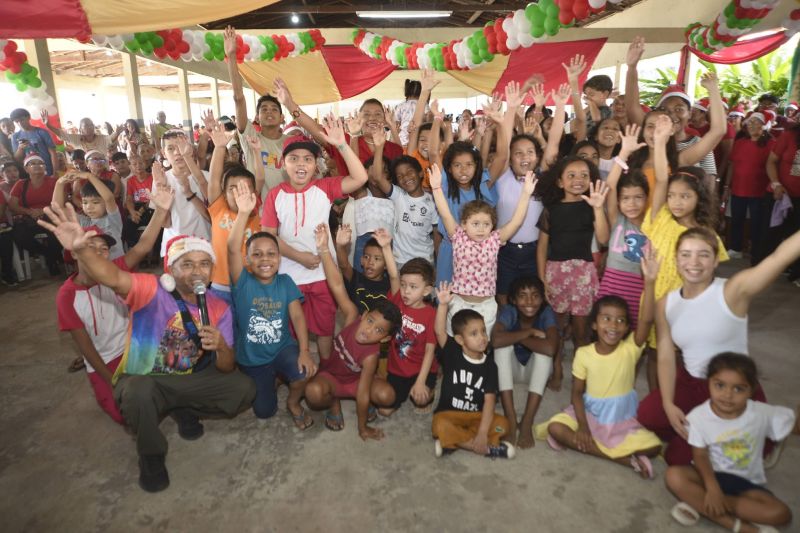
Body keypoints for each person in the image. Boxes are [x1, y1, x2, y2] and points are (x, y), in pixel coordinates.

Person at [39, 202, 256, 493]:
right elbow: (112, 276)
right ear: (170, 268)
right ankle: (151, 456)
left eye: (205, 264)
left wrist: (221, 347)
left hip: (186, 375)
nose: (198, 272)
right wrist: (82, 250)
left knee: (243, 389)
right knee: (138, 395)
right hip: (146, 377)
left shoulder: (217, 307)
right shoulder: (151, 290)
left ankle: (182, 406)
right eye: (187, 264)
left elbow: (226, 367)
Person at [638, 226, 800, 466]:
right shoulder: (666, 303)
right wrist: (668, 403)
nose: (694, 261)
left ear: (715, 261)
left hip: (731, 388)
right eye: (685, 254)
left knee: (678, 459)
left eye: (703, 254)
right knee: (648, 415)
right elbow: (664, 354)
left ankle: (766, 432)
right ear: (676, 259)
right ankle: (701, 432)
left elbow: (779, 257)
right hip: (691, 383)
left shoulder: (733, 291)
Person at [536, 248, 662, 478]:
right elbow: (576, 393)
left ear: (627, 328)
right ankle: (622, 459)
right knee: (556, 428)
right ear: (594, 324)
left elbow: (646, 318)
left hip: (619, 417)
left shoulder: (630, 349)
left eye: (620, 321)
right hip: (589, 412)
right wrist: (583, 426)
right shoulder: (584, 353)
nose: (613, 326)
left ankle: (597, 446)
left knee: (654, 446)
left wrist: (651, 282)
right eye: (606, 319)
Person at [56, 184, 172, 423]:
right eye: (92, 248)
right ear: (76, 253)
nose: (100, 253)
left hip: (135, 347)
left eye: (104, 249)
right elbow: (85, 347)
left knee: (169, 389)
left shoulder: (115, 271)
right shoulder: (67, 296)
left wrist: (160, 210)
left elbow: (143, 246)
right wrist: (112, 379)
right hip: (104, 360)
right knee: (126, 413)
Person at [260, 117, 368, 365]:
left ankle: (327, 369)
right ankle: (293, 367)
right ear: (283, 164)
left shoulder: (325, 187)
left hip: (323, 273)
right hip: (287, 276)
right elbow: (269, 237)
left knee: (324, 328)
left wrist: (342, 145)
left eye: (308, 159)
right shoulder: (275, 195)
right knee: (290, 329)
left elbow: (360, 178)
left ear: (315, 165)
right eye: (294, 158)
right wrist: (299, 257)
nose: (301, 164)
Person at [665, 354, 798, 531]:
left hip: (747, 484)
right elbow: (700, 455)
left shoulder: (762, 413)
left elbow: (795, 428)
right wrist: (712, 488)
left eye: (738, 389)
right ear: (709, 383)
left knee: (781, 514)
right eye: (719, 385)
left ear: (752, 390)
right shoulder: (699, 417)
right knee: (673, 476)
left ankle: (698, 502)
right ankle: (738, 526)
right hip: (708, 476)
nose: (727, 395)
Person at [227, 181, 317, 428]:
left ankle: (293, 402)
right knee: (264, 412)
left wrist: (305, 351)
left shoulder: (286, 281)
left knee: (303, 373)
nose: (264, 259)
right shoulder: (242, 282)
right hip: (252, 359)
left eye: (271, 254)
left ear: (279, 258)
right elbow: (232, 249)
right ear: (247, 259)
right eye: (256, 254)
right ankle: (273, 379)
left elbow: (298, 318)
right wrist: (244, 213)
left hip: (282, 348)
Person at [304, 224, 401, 439]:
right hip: (332, 377)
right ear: (364, 315)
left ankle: (356, 403)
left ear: (384, 338)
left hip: (355, 381)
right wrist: (324, 249)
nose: (368, 331)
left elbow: (364, 391)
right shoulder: (352, 316)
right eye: (370, 321)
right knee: (313, 393)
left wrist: (362, 426)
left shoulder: (371, 355)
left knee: (387, 395)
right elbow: (337, 284)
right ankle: (333, 403)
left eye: (377, 330)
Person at [430, 161, 538, 338]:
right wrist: (436, 188)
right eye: (475, 224)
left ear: (492, 226)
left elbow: (516, 221)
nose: (481, 229)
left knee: (481, 345)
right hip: (459, 304)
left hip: (486, 306)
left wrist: (525, 193)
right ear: (464, 225)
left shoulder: (495, 240)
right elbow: (445, 213)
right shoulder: (458, 236)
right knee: (454, 342)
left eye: (486, 224)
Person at [535, 156, 611, 391]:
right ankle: (557, 369)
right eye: (571, 175)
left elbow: (604, 239)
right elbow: (542, 249)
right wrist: (542, 279)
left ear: (592, 180)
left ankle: (582, 375)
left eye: (584, 176)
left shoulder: (592, 207)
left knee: (581, 331)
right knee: (556, 328)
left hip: (583, 274)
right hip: (555, 273)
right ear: (559, 182)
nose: (578, 180)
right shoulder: (551, 210)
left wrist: (598, 208)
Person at [494, 82, 570, 304]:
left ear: (537, 157)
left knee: (533, 300)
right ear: (511, 157)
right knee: (503, 297)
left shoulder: (542, 177)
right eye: (518, 153)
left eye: (529, 152)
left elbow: (554, 143)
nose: (524, 157)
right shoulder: (502, 176)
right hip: (504, 251)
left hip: (535, 252)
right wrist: (510, 110)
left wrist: (560, 106)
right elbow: (504, 144)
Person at [626, 38, 726, 195]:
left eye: (679, 109)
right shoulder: (639, 155)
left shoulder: (680, 159)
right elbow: (632, 107)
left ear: (670, 130)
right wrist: (631, 68)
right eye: (651, 126)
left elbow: (718, 130)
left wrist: (713, 90)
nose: (672, 115)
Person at [432, 282, 515, 459]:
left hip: (477, 418)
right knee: (439, 424)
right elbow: (439, 332)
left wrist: (483, 433)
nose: (483, 338)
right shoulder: (453, 352)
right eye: (474, 334)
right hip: (450, 414)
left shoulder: (490, 366)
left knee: (503, 425)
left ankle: (454, 442)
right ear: (460, 340)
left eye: (484, 331)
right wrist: (443, 305)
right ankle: (482, 447)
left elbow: (490, 402)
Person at [492, 275, 559, 448]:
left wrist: (514, 338)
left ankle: (527, 421)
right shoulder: (509, 311)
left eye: (535, 295)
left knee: (543, 355)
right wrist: (528, 333)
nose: (529, 301)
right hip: (510, 372)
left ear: (542, 298)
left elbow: (551, 348)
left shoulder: (546, 312)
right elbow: (496, 340)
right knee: (502, 349)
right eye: (522, 296)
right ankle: (511, 419)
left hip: (535, 374)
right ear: (513, 300)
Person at [598, 124, 650, 330]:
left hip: (639, 293)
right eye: (626, 198)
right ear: (618, 202)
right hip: (611, 291)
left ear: (647, 198)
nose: (632, 203)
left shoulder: (652, 225)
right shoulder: (618, 220)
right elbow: (609, 188)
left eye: (638, 197)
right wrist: (624, 153)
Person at [205, 116, 264, 300]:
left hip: (250, 283)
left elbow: (260, 179)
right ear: (223, 193)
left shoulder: (253, 211)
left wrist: (256, 153)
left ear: (253, 193)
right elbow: (214, 179)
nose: (238, 194)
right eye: (232, 188)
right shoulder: (219, 208)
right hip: (220, 285)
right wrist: (220, 147)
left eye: (244, 188)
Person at [223, 26, 286, 196]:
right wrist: (231, 56)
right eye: (264, 109)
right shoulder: (251, 137)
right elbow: (239, 98)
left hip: (286, 214)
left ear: (282, 118)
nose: (269, 112)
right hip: (258, 211)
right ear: (257, 117)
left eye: (274, 109)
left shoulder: (290, 143)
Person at [381, 238, 437, 415]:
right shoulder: (399, 301)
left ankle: (430, 387)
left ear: (426, 291)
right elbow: (393, 275)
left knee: (422, 400)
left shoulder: (431, 314)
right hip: (397, 370)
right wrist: (385, 247)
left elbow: (430, 351)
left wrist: (421, 382)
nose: (406, 291)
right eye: (404, 285)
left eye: (413, 287)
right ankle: (406, 391)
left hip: (423, 370)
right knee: (384, 410)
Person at [369, 155, 439, 268]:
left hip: (425, 261)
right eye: (400, 176)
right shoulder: (398, 195)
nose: (405, 177)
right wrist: (379, 146)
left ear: (421, 173)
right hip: (400, 261)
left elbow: (437, 236)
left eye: (409, 172)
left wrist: (439, 263)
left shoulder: (432, 201)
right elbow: (377, 177)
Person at [724, 112, 774, 260]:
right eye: (749, 122)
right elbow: (732, 165)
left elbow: (773, 165)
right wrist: (727, 186)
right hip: (738, 189)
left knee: (757, 223)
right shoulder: (740, 143)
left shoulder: (771, 144)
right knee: (736, 220)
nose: (751, 125)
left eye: (756, 122)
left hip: (759, 191)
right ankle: (736, 248)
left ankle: (755, 250)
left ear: (764, 126)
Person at [156, 131, 211, 256]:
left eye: (181, 146)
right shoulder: (161, 179)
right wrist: (161, 187)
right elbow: (166, 223)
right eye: (170, 148)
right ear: (164, 153)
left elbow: (213, 216)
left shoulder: (206, 177)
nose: (177, 152)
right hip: (174, 248)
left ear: (190, 149)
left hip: (204, 244)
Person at [7, 154, 63, 275]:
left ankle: (52, 260)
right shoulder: (21, 184)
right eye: (33, 163)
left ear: (45, 167)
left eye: (40, 163)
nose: (37, 166)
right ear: (26, 169)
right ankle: (49, 255)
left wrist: (43, 210)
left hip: (50, 215)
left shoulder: (54, 182)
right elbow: (13, 206)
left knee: (57, 232)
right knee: (19, 236)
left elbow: (60, 202)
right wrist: (29, 212)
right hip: (28, 218)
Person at [53, 170, 123, 260]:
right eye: (85, 202)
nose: (89, 207)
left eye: (95, 202)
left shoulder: (113, 219)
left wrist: (89, 176)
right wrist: (59, 183)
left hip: (116, 269)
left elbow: (109, 198)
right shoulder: (84, 221)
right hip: (94, 271)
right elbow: (57, 208)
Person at [765, 123, 800, 283]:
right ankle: (770, 269)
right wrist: (776, 184)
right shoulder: (789, 135)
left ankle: (796, 273)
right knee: (775, 233)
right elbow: (771, 161)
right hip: (784, 194)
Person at [334, 224, 389, 313]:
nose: (370, 262)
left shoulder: (389, 286)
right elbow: (344, 265)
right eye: (366, 257)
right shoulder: (355, 278)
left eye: (377, 258)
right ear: (361, 260)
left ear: (386, 264)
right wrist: (340, 246)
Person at [40, 111, 119, 156]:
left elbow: (110, 138)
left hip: (103, 169)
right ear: (80, 129)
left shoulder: (101, 138)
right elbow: (61, 134)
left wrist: (117, 132)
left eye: (91, 125)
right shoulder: (76, 139)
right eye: (86, 125)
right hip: (84, 171)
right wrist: (48, 125)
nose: (90, 127)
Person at [9, 108, 57, 177]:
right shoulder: (15, 136)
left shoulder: (42, 132)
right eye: (17, 121)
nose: (20, 123)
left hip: (47, 169)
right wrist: (20, 148)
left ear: (28, 117)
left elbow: (53, 153)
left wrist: (55, 172)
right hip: (30, 173)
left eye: (22, 120)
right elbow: (17, 159)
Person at [394, 78, 422, 147]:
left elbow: (396, 123)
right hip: (417, 139)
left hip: (402, 139)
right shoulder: (424, 106)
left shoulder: (400, 106)